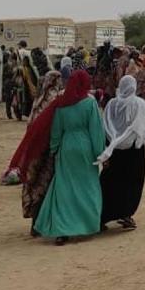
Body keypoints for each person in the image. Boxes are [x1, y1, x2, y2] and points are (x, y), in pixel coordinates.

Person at [32, 70, 105, 245]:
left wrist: (55, 149)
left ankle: (62, 230)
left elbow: (56, 131)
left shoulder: (61, 103)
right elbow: (96, 130)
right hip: (84, 147)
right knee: (87, 186)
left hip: (66, 147)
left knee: (64, 188)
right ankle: (85, 224)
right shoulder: (89, 103)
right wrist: (101, 153)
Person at [97, 74, 145, 231]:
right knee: (132, 183)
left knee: (110, 183)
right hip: (134, 151)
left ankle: (102, 216)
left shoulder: (111, 104)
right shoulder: (139, 104)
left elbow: (105, 127)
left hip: (114, 150)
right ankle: (125, 214)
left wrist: (105, 148)